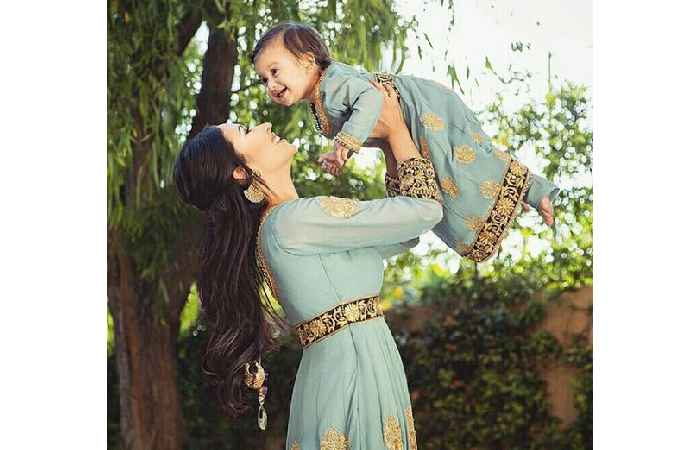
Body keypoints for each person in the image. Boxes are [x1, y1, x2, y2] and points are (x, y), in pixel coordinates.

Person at [174, 82, 441, 449]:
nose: (266, 127)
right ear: (239, 172)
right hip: (354, 373)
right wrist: (394, 129)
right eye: (248, 131)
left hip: (351, 365)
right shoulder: (293, 221)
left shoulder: (281, 226)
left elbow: (403, 232)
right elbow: (424, 212)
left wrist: (389, 145)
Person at [252, 22, 560, 263]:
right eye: (264, 79)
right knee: (439, 179)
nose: (271, 85)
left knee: (456, 163)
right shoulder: (320, 98)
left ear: (307, 61)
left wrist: (344, 143)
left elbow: (371, 98)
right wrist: (340, 150)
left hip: (424, 108)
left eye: (275, 71)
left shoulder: (332, 82)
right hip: (411, 125)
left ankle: (531, 188)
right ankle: (502, 203)